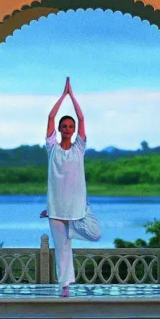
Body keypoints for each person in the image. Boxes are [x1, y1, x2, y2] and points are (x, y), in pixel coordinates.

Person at [41, 78, 101, 296]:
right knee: (63, 250)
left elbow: (82, 117)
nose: (67, 129)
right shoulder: (52, 149)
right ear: (59, 129)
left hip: (76, 208)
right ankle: (65, 286)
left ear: (74, 130)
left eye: (70, 126)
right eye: (64, 126)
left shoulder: (79, 149)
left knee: (96, 233)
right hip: (56, 210)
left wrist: (71, 96)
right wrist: (61, 97)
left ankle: (72, 228)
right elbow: (50, 117)